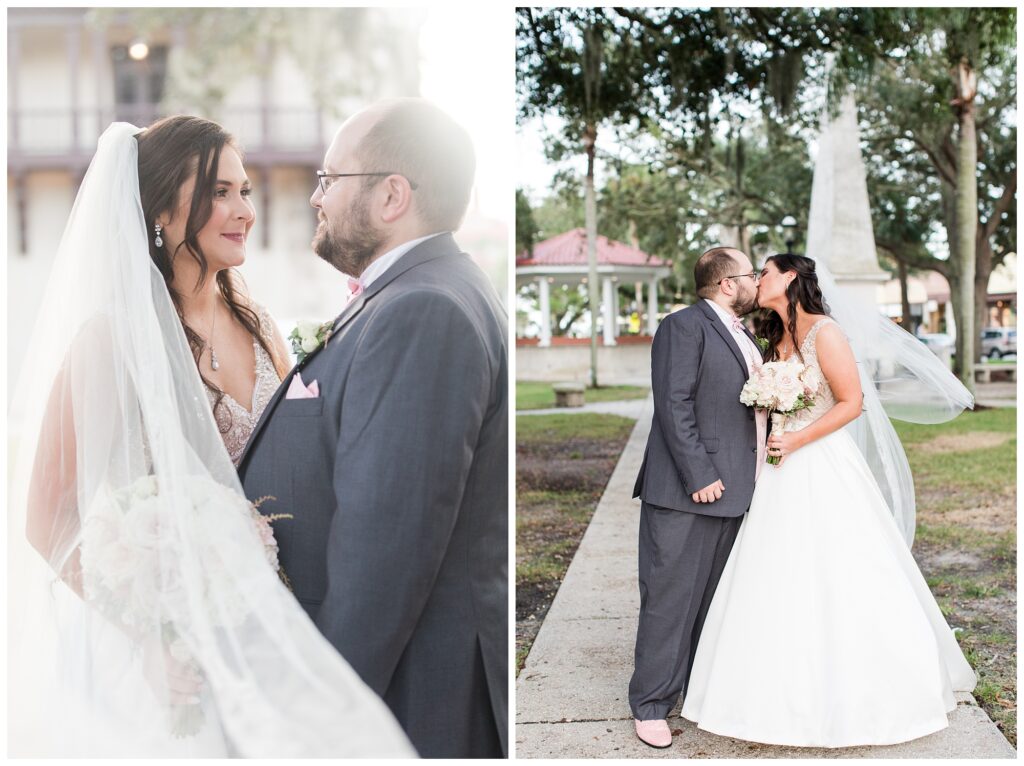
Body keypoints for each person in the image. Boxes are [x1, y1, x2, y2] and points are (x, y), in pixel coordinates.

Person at [9, 120, 414, 757]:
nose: (244, 212)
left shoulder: (260, 327)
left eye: (245, 190)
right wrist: (149, 633)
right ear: (162, 209)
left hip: (276, 632)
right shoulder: (112, 342)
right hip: (173, 663)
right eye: (219, 192)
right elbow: (46, 518)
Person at [237, 98, 509, 759]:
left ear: (392, 195)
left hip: (411, 703)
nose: (315, 199)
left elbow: (383, 556)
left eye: (331, 180)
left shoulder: (422, 310)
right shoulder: (418, 294)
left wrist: (320, 714)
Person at [680, 254, 977, 747]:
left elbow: (851, 402)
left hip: (819, 461)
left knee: (840, 566)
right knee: (774, 570)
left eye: (766, 273)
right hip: (778, 470)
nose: (759, 280)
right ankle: (764, 694)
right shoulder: (773, 337)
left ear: (790, 278)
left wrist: (797, 438)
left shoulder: (825, 333)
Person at [629, 246, 767, 749]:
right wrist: (698, 473)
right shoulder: (683, 326)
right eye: (752, 274)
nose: (757, 282)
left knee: (710, 601)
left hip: (738, 489)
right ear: (728, 283)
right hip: (691, 491)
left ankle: (688, 687)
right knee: (669, 600)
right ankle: (650, 705)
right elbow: (673, 402)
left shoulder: (743, 333)